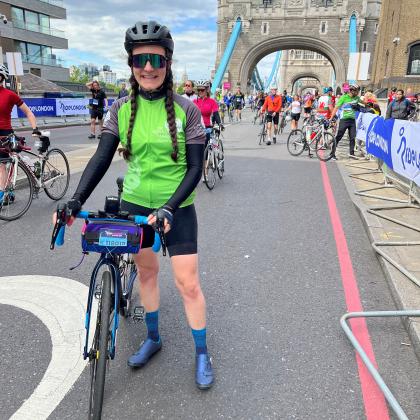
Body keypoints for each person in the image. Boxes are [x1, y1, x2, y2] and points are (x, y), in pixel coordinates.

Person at [59, 21, 214, 389]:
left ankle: (203, 352)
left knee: (187, 283)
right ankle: (154, 339)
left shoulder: (186, 110)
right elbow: (100, 158)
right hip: (134, 204)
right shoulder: (121, 109)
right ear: (131, 64)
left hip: (177, 207)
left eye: (155, 60)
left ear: (168, 64)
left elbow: (195, 168)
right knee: (146, 273)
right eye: (139, 60)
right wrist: (75, 199)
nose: (148, 67)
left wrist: (169, 209)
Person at [0, 64, 41, 206]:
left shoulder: (10, 95)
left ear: (2, 77)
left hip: (5, 134)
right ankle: (8, 191)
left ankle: (4, 193)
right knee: (4, 165)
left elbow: (28, 112)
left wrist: (35, 128)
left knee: (2, 165)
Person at [329, 83, 361, 160]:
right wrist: (331, 117)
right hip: (344, 120)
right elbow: (336, 108)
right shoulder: (344, 97)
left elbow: (363, 102)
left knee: (352, 137)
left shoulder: (356, 98)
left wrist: (370, 105)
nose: (358, 93)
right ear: (352, 91)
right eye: (357, 91)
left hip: (352, 120)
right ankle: (332, 153)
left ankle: (351, 153)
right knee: (339, 137)